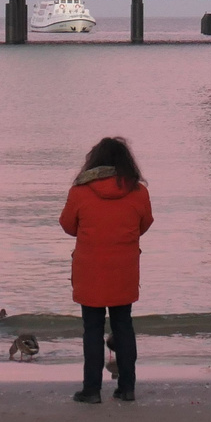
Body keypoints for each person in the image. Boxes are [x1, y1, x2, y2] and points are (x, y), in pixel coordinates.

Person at [60, 137, 153, 404]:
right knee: (124, 326)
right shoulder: (138, 192)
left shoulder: (80, 191)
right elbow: (144, 223)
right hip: (124, 269)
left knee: (92, 329)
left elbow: (68, 225)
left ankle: (91, 389)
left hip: (90, 270)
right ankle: (127, 387)